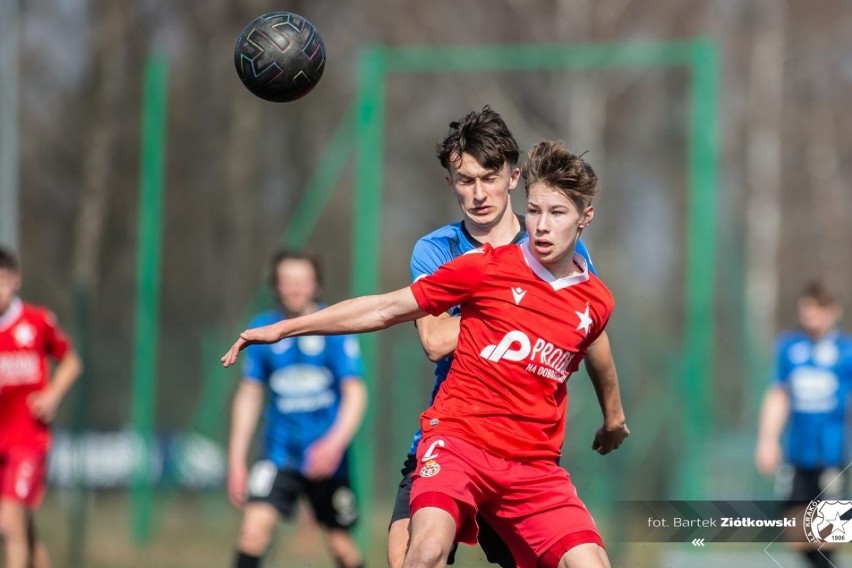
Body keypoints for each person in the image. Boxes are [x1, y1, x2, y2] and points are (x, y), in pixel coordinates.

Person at [223, 141, 622, 568]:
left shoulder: (595, 299)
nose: (541, 226)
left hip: (533, 465)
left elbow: (594, 342)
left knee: (591, 563)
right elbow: (384, 308)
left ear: (586, 217)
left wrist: (614, 417)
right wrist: (286, 327)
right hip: (459, 443)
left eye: (557, 213)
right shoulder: (485, 267)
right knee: (423, 551)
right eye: (535, 211)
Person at [388, 106, 629, 568]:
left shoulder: (554, 242)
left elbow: (588, 331)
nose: (478, 194)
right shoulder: (436, 249)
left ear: (513, 177)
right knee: (409, 558)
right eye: (465, 180)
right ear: (451, 184)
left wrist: (613, 415)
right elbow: (436, 340)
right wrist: (510, 307)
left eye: (489, 177)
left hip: (522, 451)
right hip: (452, 436)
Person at [227, 250, 367, 568]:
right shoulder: (261, 329)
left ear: (316, 285)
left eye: (303, 280)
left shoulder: (334, 327)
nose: (295, 288)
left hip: (327, 459)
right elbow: (249, 395)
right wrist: (236, 459)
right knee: (253, 530)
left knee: (341, 545)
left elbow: (355, 392)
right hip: (279, 456)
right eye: (287, 281)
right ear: (275, 285)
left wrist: (333, 445)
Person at [755, 280, 852, 568]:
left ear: (832, 312)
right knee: (796, 534)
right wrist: (767, 440)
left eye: (817, 310)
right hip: (796, 457)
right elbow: (779, 396)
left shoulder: (845, 352)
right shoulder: (790, 349)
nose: (811, 317)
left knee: (825, 534)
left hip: (831, 457)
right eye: (806, 309)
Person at [0, 247, 83, 568]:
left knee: (9, 521)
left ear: (16, 280)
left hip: (28, 438)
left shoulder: (36, 322)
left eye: (3, 281)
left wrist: (52, 395)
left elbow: (72, 361)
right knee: (23, 530)